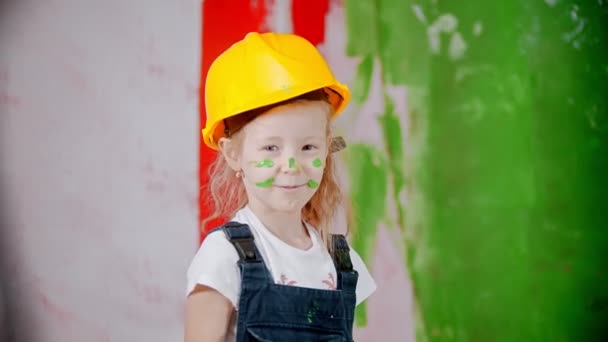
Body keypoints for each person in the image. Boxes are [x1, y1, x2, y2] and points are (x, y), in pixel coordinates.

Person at [184, 32, 376, 342]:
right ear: (234, 154)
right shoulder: (223, 257)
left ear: (327, 149)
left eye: (308, 147)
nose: (292, 165)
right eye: (271, 148)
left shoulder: (341, 261)